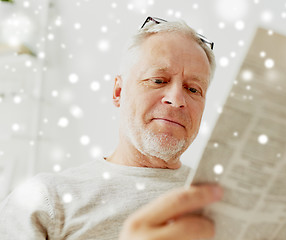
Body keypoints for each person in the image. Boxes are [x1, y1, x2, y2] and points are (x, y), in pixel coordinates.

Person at [0, 16, 223, 240]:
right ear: (118, 92)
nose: (177, 99)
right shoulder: (44, 199)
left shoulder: (227, 203)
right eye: (158, 80)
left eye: (193, 89)